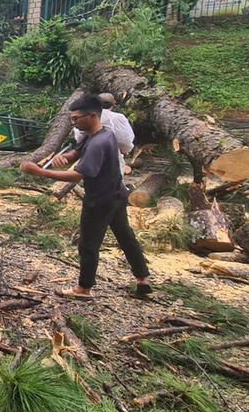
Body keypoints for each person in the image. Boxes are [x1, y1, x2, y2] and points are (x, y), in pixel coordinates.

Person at [20, 96, 151, 300]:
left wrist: (41, 173)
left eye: (76, 119)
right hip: (117, 194)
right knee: (125, 236)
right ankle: (142, 278)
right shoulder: (101, 134)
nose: (74, 124)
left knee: (88, 244)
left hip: (100, 200)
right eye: (72, 120)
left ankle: (84, 288)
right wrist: (63, 158)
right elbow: (76, 152)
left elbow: (77, 175)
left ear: (92, 116)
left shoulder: (98, 143)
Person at [73, 93, 134, 176]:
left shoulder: (85, 116)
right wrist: (126, 150)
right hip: (112, 156)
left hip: (88, 154)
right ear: (113, 104)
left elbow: (79, 138)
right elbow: (126, 140)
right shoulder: (118, 118)